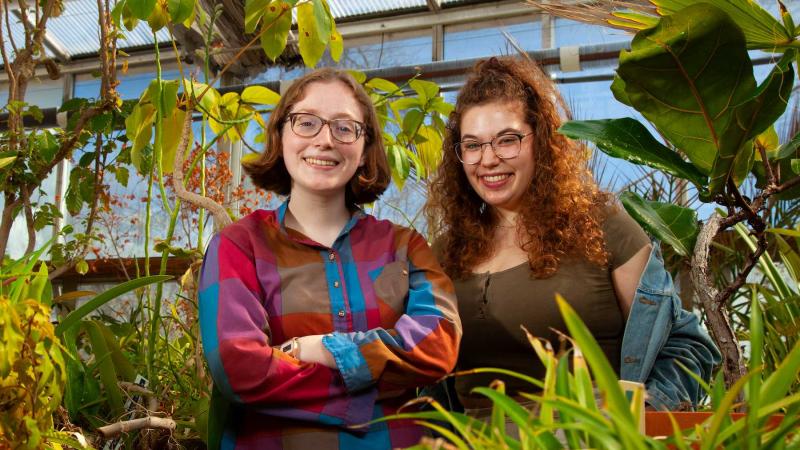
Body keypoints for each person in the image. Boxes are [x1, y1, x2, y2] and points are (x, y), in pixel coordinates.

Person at [425, 56, 720, 414]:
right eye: (472, 145)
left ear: (542, 142)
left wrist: (647, 407)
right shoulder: (444, 252)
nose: (488, 159)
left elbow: (687, 344)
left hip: (585, 432)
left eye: (507, 140)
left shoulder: (603, 226)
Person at [198, 68, 461, 450]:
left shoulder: (404, 246)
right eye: (307, 123)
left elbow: (439, 343)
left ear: (365, 146)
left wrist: (318, 350)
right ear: (280, 135)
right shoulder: (239, 246)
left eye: (344, 127)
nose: (324, 140)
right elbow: (240, 368)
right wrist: (371, 385)